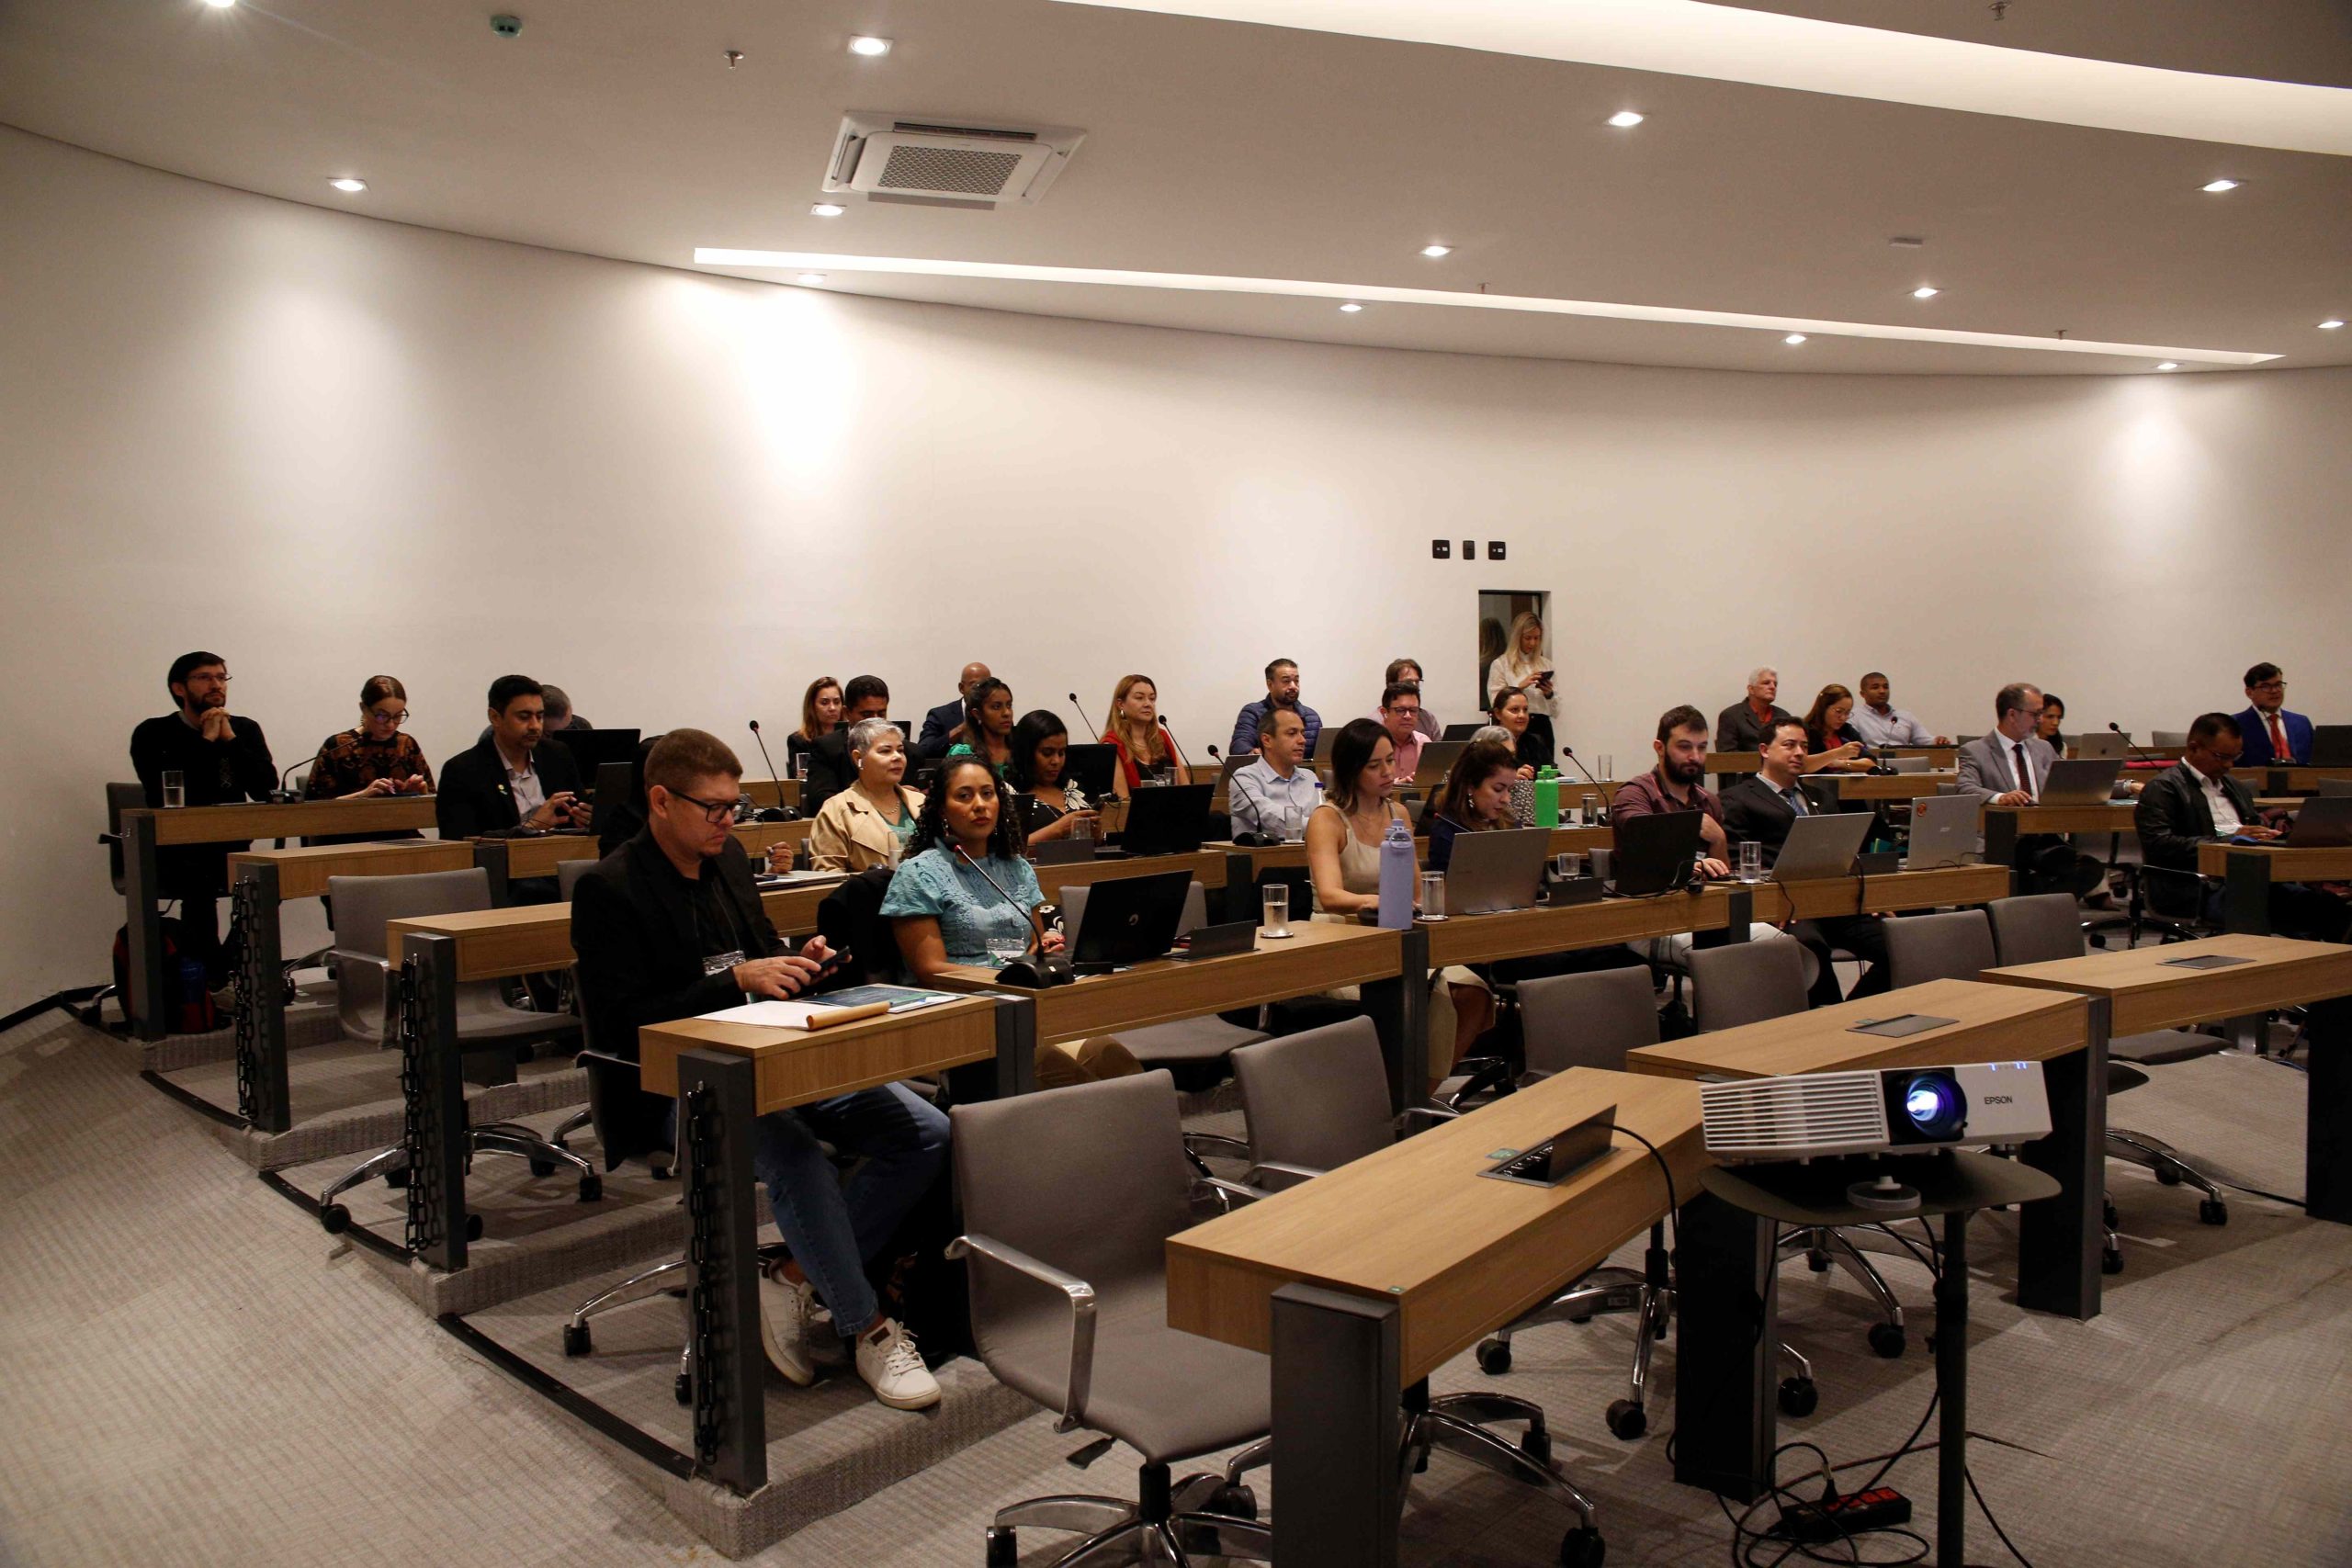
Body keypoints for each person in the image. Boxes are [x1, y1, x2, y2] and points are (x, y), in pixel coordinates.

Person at [570, 728, 944, 1410]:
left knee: (926, 1132)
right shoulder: (609, 887)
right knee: (793, 1153)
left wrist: (802, 961)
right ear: (661, 800)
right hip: (673, 1084)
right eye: (713, 808)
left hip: (774, 1053)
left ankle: (794, 1275)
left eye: (734, 806)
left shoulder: (730, 860)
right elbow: (626, 1023)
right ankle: (866, 1326)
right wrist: (737, 979)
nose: (728, 821)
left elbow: (759, 949)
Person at [884, 757, 1136, 1086]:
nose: (979, 805)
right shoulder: (918, 873)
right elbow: (930, 970)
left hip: (1024, 1004)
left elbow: (1033, 942)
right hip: (960, 1014)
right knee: (1056, 1070)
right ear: (942, 809)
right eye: (964, 796)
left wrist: (1041, 953)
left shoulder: (1016, 867)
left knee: (1110, 1056)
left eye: (987, 794)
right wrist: (1007, 977)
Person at [1305, 718, 1470, 1078]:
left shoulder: (1399, 814)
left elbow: (1415, 892)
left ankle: (1422, 1087)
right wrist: (1374, 901)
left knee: (1470, 991)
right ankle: (1394, 1090)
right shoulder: (1327, 819)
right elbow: (1330, 896)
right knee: (1410, 994)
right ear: (1352, 770)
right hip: (1341, 936)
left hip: (1396, 932)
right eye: (1374, 765)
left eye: (1390, 761)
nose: (1387, 772)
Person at [129, 650, 278, 984]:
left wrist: (230, 740)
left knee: (276, 878)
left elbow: (266, 788)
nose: (216, 685)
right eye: (204, 678)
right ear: (179, 688)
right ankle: (211, 980)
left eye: (221, 677)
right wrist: (207, 740)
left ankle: (221, 966)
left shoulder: (243, 729)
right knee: (199, 887)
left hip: (232, 845)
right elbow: (165, 793)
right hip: (177, 851)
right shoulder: (153, 733)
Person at [1720, 718, 1892, 1006]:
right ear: (1764, 750)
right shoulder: (1737, 799)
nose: (1799, 752)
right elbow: (1739, 862)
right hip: (1787, 906)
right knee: (1809, 946)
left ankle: (1850, 1011)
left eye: (1804, 746)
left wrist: (1866, 897)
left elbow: (1843, 855)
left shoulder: (1821, 798)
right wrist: (1770, 901)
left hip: (1835, 903)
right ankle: (1827, 1017)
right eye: (1789, 745)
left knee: (1899, 942)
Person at [2137, 713, 2347, 941]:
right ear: (2194, 748)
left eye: (2235, 757)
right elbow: (2160, 844)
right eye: (2221, 757)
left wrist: (2269, 836)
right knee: (2282, 907)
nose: (2229, 765)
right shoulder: (2163, 788)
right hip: (2194, 887)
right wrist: (2230, 840)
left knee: (2330, 906)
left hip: (2248, 877)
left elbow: (2251, 827)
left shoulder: (2234, 786)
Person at [436, 674, 590, 840]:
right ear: (495, 717)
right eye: (524, 717)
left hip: (560, 851)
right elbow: (459, 841)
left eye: (539, 716)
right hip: (502, 856)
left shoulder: (557, 755)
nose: (535, 726)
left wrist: (586, 817)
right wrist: (531, 827)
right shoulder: (463, 770)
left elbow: (576, 810)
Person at [1611, 705, 1734, 878]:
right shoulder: (1635, 794)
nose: (1695, 757)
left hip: (1704, 893)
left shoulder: (1709, 801)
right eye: (1684, 747)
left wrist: (1719, 838)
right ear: (1660, 748)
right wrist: (1689, 866)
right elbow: (1646, 846)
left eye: (1702, 747)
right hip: (1647, 892)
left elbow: (1723, 877)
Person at [808, 717, 924, 873]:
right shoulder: (836, 810)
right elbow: (828, 877)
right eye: (885, 751)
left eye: (900, 750)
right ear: (858, 758)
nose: (897, 757)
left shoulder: (922, 802)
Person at [306, 676, 435, 803]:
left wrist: (419, 793)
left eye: (397, 716)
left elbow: (436, 801)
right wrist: (362, 795)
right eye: (382, 716)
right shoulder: (337, 746)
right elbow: (313, 807)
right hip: (350, 818)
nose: (391, 725)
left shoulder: (407, 745)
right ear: (364, 708)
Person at [1004, 711, 1101, 845]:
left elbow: (1095, 843)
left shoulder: (1073, 787)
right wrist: (1058, 830)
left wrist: (1097, 835)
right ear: (1026, 753)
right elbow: (1010, 850)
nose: (1056, 761)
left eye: (1061, 753)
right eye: (1047, 753)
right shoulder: (1009, 794)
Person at [1227, 706, 1320, 840]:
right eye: (1292, 733)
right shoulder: (1244, 778)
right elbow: (1273, 821)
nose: (1302, 740)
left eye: (1303, 733)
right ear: (1267, 740)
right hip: (1266, 853)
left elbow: (1325, 815)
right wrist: (1325, 827)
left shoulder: (1310, 777)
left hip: (1313, 850)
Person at [803, 674, 890, 814]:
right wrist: (874, 802)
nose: (875, 721)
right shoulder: (826, 748)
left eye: (881, 714)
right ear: (847, 713)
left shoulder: (907, 752)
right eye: (866, 715)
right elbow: (821, 799)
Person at [1956, 683, 2052, 806]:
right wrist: (2001, 798)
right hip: (2004, 816)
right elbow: (1965, 788)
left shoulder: (2044, 748)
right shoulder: (1975, 751)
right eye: (2035, 714)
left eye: (2041, 713)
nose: (2040, 720)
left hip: (2046, 816)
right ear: (2012, 715)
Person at [1485, 612, 1556, 763]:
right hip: (1512, 725)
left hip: (1542, 725)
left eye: (1537, 638)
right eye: (1528, 638)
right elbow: (1495, 701)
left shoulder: (1546, 664)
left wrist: (1549, 694)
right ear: (1517, 637)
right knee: (1513, 766)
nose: (1532, 643)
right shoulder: (1501, 664)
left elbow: (1556, 710)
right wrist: (1519, 688)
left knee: (1546, 770)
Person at [1102, 673, 1179, 795]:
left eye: (1152, 698)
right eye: (1139, 698)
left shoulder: (1161, 737)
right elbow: (1123, 801)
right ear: (1120, 704)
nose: (1148, 704)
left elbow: (1185, 787)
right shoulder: (1112, 745)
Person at [1230, 658, 1324, 756]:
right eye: (1286, 681)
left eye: (1296, 681)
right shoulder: (1253, 713)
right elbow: (1239, 745)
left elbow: (1323, 756)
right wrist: (1250, 753)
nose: (1293, 686)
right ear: (1270, 685)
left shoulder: (1312, 717)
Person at [2235, 662, 2312, 768]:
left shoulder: (2302, 723)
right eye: (2266, 686)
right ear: (2249, 692)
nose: (2275, 691)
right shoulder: (2235, 724)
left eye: (2278, 685)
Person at [1848, 672, 1948, 749]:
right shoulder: (1854, 717)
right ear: (1863, 694)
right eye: (1875, 687)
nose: (1882, 691)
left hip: (1904, 764)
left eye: (1885, 687)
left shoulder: (1905, 716)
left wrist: (1937, 741)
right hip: (1871, 764)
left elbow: (1924, 740)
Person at [916, 662, 991, 761]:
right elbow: (923, 751)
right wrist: (960, 730)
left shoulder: (999, 715)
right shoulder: (940, 715)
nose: (982, 691)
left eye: (986, 686)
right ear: (961, 688)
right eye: (975, 685)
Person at [943, 677, 1015, 772]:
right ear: (977, 714)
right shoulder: (963, 754)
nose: (1007, 713)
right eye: (996, 707)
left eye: (1009, 705)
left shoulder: (1021, 750)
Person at [1715, 667, 1794, 753]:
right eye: (1766, 683)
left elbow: (1792, 748)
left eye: (1775, 684)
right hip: (1746, 762)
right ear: (1751, 689)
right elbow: (1727, 754)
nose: (1772, 687)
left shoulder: (1784, 717)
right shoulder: (1731, 716)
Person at [1800, 684, 1873, 773]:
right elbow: (1802, 765)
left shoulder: (1847, 731)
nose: (1843, 717)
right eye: (1839, 711)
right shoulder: (1805, 731)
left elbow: (1871, 764)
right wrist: (1838, 753)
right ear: (1823, 708)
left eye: (1847, 713)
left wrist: (1840, 763)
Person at [1373, 681, 1428, 784]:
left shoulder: (1424, 742)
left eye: (1413, 710)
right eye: (1401, 710)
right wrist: (1397, 785)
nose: (1408, 716)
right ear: (1385, 713)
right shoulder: (1372, 743)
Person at [786, 677, 843, 773]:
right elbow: (802, 777)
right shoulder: (799, 741)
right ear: (812, 707)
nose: (832, 708)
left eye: (837, 702)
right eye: (824, 703)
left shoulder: (850, 737)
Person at [1484, 689, 1543, 778]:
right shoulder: (1487, 745)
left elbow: (1554, 772)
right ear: (1498, 713)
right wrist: (1511, 778)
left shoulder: (1535, 741)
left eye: (1525, 710)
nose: (1522, 715)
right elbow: (1482, 779)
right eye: (1515, 710)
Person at [1385, 659, 1442, 741]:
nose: (1415, 686)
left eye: (1417, 682)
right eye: (1408, 682)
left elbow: (1439, 748)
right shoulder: (1374, 723)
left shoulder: (1427, 718)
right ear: (1391, 685)